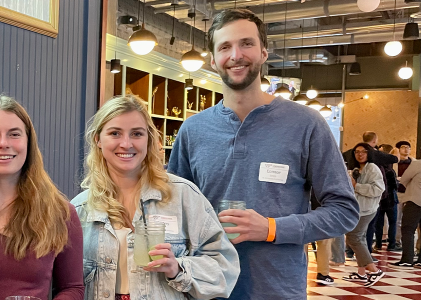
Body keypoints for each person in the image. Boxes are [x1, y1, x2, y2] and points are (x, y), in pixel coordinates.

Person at [166, 9, 359, 299]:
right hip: (205, 288)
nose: (236, 55)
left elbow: (344, 212)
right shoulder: (193, 130)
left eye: (246, 43)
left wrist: (271, 228)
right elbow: (172, 208)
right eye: (225, 47)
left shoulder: (306, 124)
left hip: (277, 289)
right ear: (213, 60)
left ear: (264, 52)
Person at [73, 95, 239, 300]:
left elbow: (225, 268)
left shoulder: (183, 197)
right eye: (115, 133)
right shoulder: (79, 208)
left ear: (149, 139)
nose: (126, 144)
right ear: (98, 139)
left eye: (137, 134)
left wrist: (178, 268)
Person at [0, 95, 84, 299]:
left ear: (29, 142)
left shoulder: (60, 213)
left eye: (14, 134)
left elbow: (72, 288)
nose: (3, 143)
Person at [340, 143, 386, 286]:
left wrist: (356, 186)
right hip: (357, 208)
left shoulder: (372, 168)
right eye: (357, 152)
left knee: (354, 237)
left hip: (367, 209)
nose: (360, 154)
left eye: (363, 152)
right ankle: (361, 273)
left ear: (369, 153)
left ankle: (374, 270)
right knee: (359, 238)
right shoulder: (356, 169)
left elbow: (378, 189)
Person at [374, 144, 399, 251]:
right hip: (391, 199)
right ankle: (392, 244)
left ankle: (378, 243)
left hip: (379, 199)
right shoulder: (390, 171)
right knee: (392, 222)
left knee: (379, 223)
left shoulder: (376, 170)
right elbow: (394, 185)